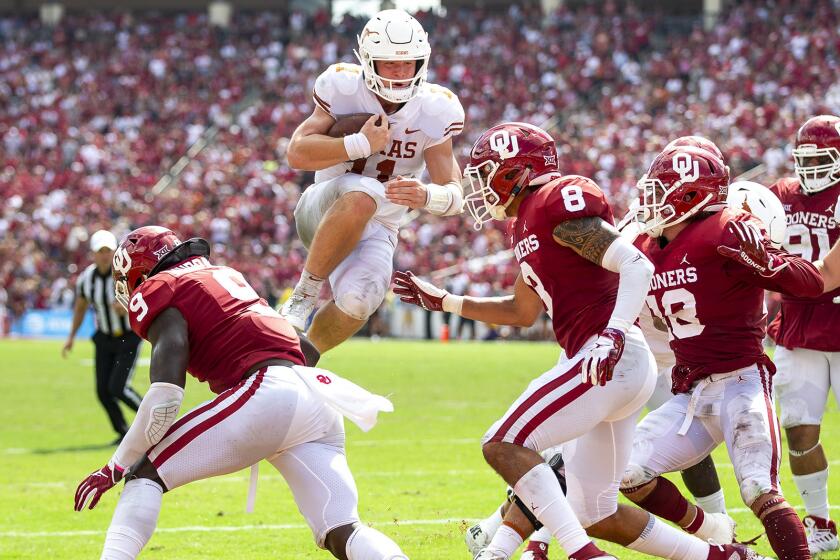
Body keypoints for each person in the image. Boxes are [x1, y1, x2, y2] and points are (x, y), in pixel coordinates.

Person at [395, 122, 761, 560]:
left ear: (517, 171)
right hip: (617, 364)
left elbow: (637, 266)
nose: (481, 185)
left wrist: (610, 335)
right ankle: (723, 556)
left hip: (605, 357)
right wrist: (448, 302)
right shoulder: (526, 221)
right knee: (597, 511)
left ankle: (580, 553)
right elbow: (521, 311)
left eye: (487, 172)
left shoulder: (555, 200)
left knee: (503, 444)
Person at [73, 226, 406, 560]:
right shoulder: (222, 275)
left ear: (142, 271)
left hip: (267, 392)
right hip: (315, 396)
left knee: (144, 474)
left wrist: (116, 465)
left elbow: (165, 397)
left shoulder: (163, 288)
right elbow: (302, 347)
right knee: (342, 531)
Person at [618, 143, 823, 560]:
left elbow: (811, 284)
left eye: (661, 189)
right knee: (628, 474)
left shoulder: (727, 229)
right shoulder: (645, 242)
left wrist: (766, 258)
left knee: (757, 487)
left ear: (692, 197)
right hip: (690, 393)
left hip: (741, 382)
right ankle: (713, 532)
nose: (650, 199)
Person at [280, 8, 465, 353]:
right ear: (368, 61)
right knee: (365, 192)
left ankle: (297, 361)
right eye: (389, 63)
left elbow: (455, 194)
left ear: (421, 62)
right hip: (323, 207)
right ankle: (303, 295)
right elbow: (297, 153)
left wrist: (427, 195)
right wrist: (360, 144)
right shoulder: (342, 86)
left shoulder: (437, 109)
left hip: (381, 225)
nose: (399, 73)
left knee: (361, 300)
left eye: (407, 63)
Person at [766, 114, 840, 554]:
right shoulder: (780, 196)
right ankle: (821, 523)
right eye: (805, 158)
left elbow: (829, 274)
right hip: (798, 326)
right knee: (798, 430)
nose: (810, 167)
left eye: (822, 158)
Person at [63, 229, 143, 444]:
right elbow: (80, 307)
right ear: (93, 254)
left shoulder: (126, 273)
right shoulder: (87, 278)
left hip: (128, 336)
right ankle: (123, 432)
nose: (105, 255)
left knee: (118, 387)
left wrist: (127, 308)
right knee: (102, 391)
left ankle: (154, 424)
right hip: (105, 338)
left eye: (108, 250)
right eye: (101, 251)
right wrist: (71, 336)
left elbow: (146, 301)